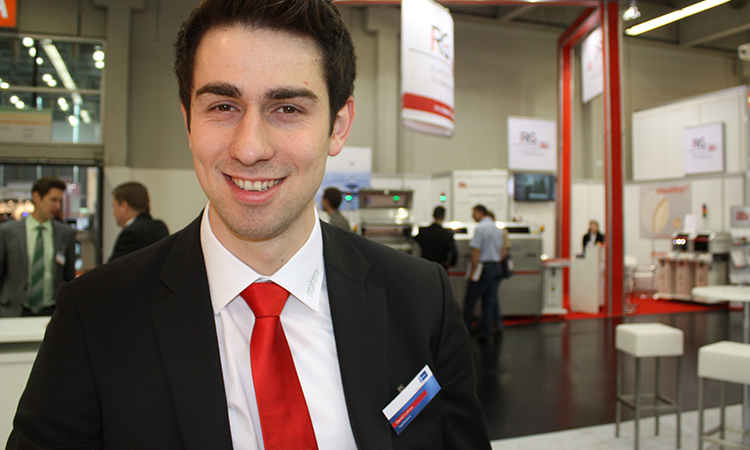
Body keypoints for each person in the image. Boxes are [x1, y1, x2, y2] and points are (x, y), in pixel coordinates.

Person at [7, 1, 491, 449]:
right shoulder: (97, 318)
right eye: (223, 106)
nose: (250, 148)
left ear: (338, 125)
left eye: (288, 108)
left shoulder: (420, 299)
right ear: (188, 120)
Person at [0, 177, 76, 317]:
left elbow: (69, 276)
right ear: (36, 197)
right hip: (14, 310)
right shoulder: (7, 232)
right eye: (53, 200)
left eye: (60, 201)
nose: (57, 206)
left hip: (52, 311)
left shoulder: (66, 233)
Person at [463, 204, 506, 344]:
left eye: (473, 213)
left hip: (483, 268)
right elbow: (502, 252)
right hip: (495, 267)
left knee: (470, 300)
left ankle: (465, 331)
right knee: (489, 302)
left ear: (480, 212)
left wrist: (472, 272)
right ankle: (486, 333)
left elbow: (476, 252)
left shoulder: (480, 229)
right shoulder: (497, 229)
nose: (472, 216)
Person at [108, 181, 170, 262]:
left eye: (114, 206)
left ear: (124, 206)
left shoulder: (130, 234)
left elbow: (113, 267)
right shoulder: (160, 227)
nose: (113, 213)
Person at [414, 206, 458, 270]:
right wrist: (451, 263)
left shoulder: (423, 231)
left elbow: (413, 240)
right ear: (444, 217)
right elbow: (454, 253)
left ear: (433, 215)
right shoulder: (447, 234)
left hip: (425, 265)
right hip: (440, 267)